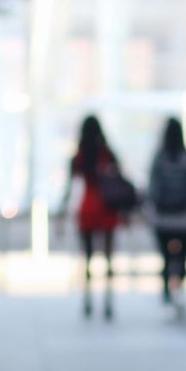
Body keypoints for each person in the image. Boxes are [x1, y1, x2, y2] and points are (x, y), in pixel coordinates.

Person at [66, 115, 127, 320]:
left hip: (88, 207)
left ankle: (88, 300)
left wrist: (60, 215)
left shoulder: (79, 156)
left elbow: (69, 188)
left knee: (88, 257)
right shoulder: (106, 153)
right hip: (106, 207)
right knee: (109, 258)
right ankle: (108, 300)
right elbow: (120, 179)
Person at [147, 117, 186, 313]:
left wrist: (150, 212)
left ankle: (167, 293)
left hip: (162, 219)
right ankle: (179, 288)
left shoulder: (159, 157)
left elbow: (152, 188)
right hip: (184, 219)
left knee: (166, 259)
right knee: (182, 257)